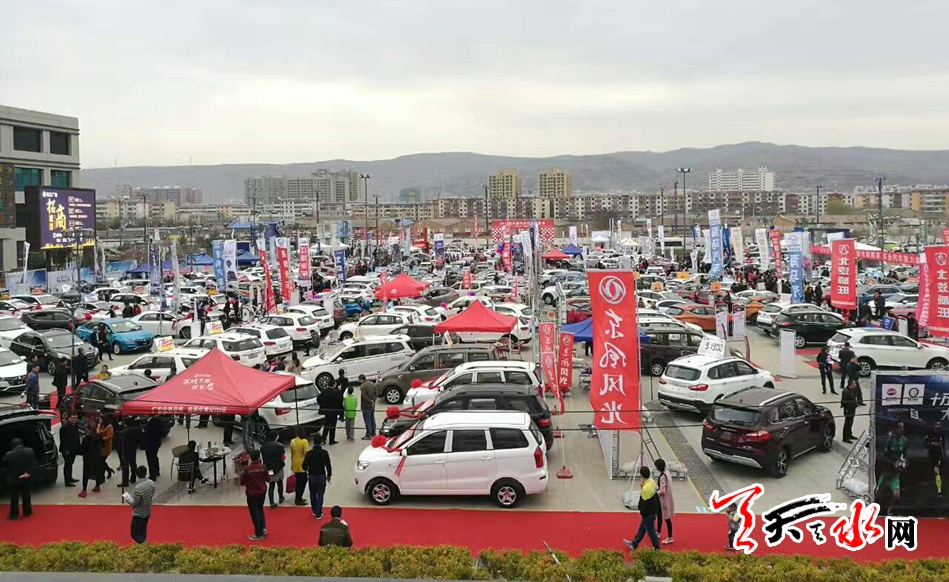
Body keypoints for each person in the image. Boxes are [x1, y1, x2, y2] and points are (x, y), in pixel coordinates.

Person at [622, 466, 661, 551]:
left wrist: (642, 511)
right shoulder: (652, 482)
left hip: (648, 513)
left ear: (641, 475)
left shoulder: (646, 488)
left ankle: (657, 549)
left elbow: (644, 503)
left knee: (651, 532)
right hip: (653, 510)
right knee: (642, 529)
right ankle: (634, 544)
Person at [876, 422, 908, 511]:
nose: (902, 429)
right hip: (886, 472)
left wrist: (904, 463)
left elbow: (905, 455)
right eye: (900, 427)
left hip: (895, 473)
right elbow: (882, 456)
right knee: (877, 492)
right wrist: (892, 463)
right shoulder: (890, 440)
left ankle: (889, 510)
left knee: (897, 495)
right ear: (896, 429)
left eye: (902, 427)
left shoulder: (905, 441)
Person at [239, 449, 269, 541]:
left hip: (252, 493)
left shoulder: (247, 470)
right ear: (259, 457)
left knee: (255, 513)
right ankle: (263, 528)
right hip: (262, 492)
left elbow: (242, 482)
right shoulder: (263, 467)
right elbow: (268, 479)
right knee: (260, 510)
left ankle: (259, 533)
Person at [4, 438, 36, 519]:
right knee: (26, 494)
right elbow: (33, 464)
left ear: (13, 445)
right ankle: (27, 511)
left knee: (14, 496)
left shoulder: (9, 455)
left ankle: (14, 513)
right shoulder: (30, 451)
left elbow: (6, 467)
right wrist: (28, 473)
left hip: (14, 478)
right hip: (26, 477)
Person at [302, 436, 332, 519]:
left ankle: (314, 510)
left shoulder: (309, 453)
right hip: (321, 476)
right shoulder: (324, 453)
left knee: (313, 494)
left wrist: (308, 469)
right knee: (320, 495)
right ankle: (319, 512)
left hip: (312, 476)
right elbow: (328, 465)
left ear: (313, 442)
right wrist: (329, 475)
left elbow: (304, 466)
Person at [126, 466, 155, 544]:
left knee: (135, 534)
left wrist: (128, 498)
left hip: (139, 514)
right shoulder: (151, 483)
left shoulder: (138, 488)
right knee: (143, 531)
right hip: (147, 511)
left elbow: (135, 503)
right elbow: (152, 493)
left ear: (137, 474)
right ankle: (143, 547)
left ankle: (146, 545)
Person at [260, 431, 286, 508]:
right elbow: (283, 457)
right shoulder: (280, 446)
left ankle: (271, 502)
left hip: (269, 468)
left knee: (271, 485)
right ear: (276, 437)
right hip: (278, 468)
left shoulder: (263, 446)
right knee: (280, 482)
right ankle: (281, 497)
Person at [78, 422, 102, 497]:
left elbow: (84, 447)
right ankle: (97, 486)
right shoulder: (98, 436)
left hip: (88, 457)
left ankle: (84, 490)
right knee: (97, 471)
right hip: (97, 457)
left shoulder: (87, 437)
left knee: (86, 473)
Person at [654, 458, 675, 545]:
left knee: (667, 518)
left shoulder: (663, 476)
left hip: (664, 500)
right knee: (659, 515)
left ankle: (670, 537)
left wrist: (655, 493)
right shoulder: (667, 473)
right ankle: (658, 532)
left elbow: (663, 491)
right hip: (666, 499)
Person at [118, 419, 142, 487]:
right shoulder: (136, 430)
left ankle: (125, 482)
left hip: (125, 449)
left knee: (125, 465)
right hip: (133, 448)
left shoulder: (125, 431)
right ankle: (133, 477)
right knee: (133, 463)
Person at [59, 413, 81, 487]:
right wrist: (66, 450)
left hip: (73, 449)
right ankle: (67, 481)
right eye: (73, 418)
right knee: (68, 465)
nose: (75, 419)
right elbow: (63, 440)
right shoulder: (65, 427)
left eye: (76, 417)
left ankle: (70, 477)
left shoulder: (75, 425)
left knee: (71, 464)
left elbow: (77, 437)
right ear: (69, 418)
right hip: (67, 450)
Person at [290, 427, 310, 506]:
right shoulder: (304, 441)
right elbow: (306, 454)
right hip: (302, 464)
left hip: (295, 464)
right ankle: (299, 498)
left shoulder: (292, 441)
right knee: (302, 483)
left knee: (297, 482)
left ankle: (298, 497)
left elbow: (292, 453)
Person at [927, 422, 945, 499]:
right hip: (932, 456)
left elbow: (943, 445)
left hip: (938, 456)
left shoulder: (942, 434)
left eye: (939, 425)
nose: (938, 426)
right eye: (937, 425)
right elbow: (926, 444)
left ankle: (939, 491)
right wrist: (930, 445)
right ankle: (938, 484)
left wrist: (944, 455)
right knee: (934, 472)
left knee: (936, 471)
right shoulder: (930, 434)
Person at [144, 415, 164, 481]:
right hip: (156, 443)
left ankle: (152, 475)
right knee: (154, 457)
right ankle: (156, 471)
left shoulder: (152, 422)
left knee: (150, 459)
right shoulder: (158, 420)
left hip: (150, 444)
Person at [359, 374, 377, 440]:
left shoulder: (363, 386)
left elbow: (364, 396)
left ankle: (368, 434)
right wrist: (373, 401)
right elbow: (376, 393)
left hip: (366, 406)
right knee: (372, 418)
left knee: (367, 420)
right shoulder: (373, 384)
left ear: (361, 380)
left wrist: (370, 401)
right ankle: (373, 432)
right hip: (372, 405)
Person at [97, 415, 115, 481]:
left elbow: (109, 437)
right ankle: (108, 470)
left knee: (101, 462)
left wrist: (102, 438)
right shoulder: (101, 425)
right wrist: (99, 426)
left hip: (106, 446)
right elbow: (97, 433)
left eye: (100, 419)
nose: (99, 421)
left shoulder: (109, 426)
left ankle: (103, 476)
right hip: (100, 446)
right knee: (101, 462)